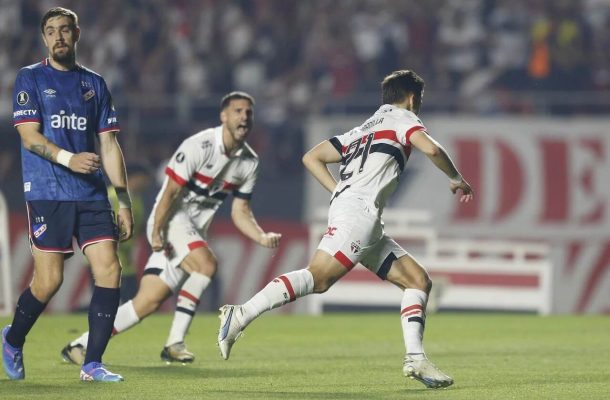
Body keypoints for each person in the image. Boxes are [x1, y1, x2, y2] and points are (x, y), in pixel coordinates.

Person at [217, 70, 474, 389]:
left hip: (362, 216)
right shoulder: (403, 119)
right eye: (418, 100)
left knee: (417, 281)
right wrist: (455, 178)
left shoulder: (364, 128)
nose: (418, 105)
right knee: (319, 277)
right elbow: (432, 150)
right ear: (411, 98)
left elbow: (312, 157)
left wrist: (338, 190)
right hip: (358, 215)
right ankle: (240, 315)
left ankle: (416, 359)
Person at [60, 91, 281, 365]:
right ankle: (175, 342)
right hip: (170, 220)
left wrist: (260, 235)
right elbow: (171, 193)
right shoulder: (199, 146)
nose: (244, 117)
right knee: (207, 265)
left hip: (192, 232)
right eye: (238, 111)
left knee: (147, 302)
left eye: (249, 112)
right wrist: (156, 229)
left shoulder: (249, 162)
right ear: (224, 116)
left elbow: (240, 211)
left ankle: (78, 345)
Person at [2, 7, 133, 382]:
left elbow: (109, 144)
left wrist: (121, 199)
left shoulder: (95, 84)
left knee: (109, 267)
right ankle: (12, 338)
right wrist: (68, 158)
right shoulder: (30, 78)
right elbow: (29, 137)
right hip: (47, 192)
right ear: (44, 38)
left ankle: (92, 364)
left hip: (91, 194)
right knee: (49, 281)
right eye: (50, 31)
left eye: (64, 30)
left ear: (77, 35)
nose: (58, 36)